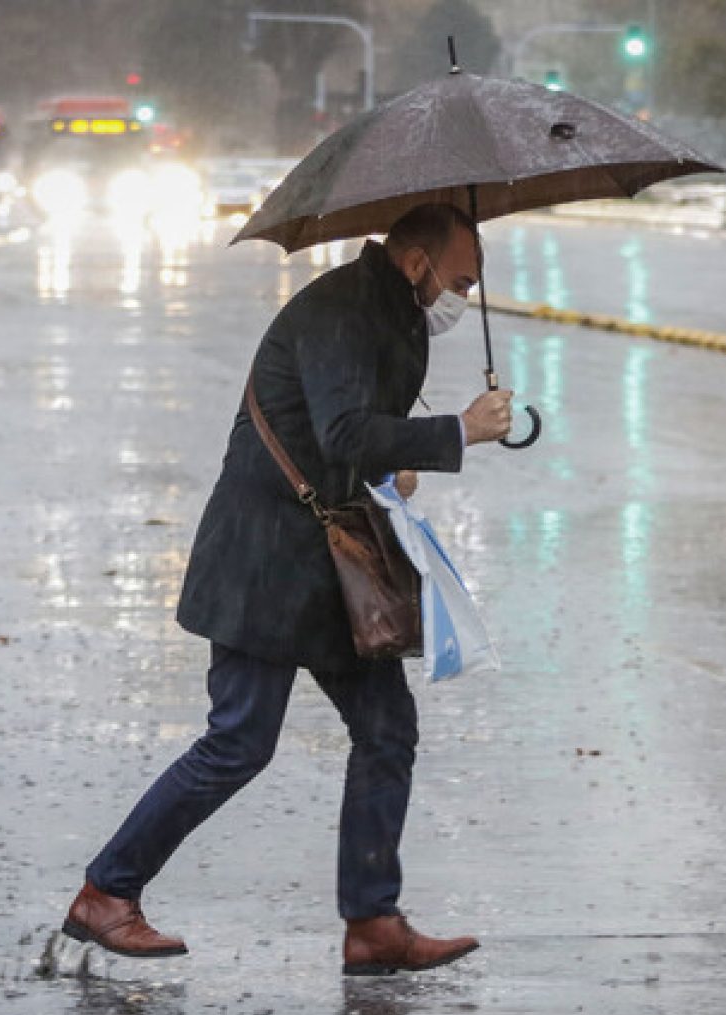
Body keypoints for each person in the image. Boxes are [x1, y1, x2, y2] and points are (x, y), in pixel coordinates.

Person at [61, 203, 513, 976]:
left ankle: (373, 921)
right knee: (239, 740)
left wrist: (396, 465)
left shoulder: (388, 311)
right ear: (416, 264)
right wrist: (455, 433)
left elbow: (350, 436)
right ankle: (106, 893)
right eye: (460, 280)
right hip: (265, 562)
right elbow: (343, 433)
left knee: (387, 730)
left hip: (328, 567)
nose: (460, 299)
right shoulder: (340, 310)